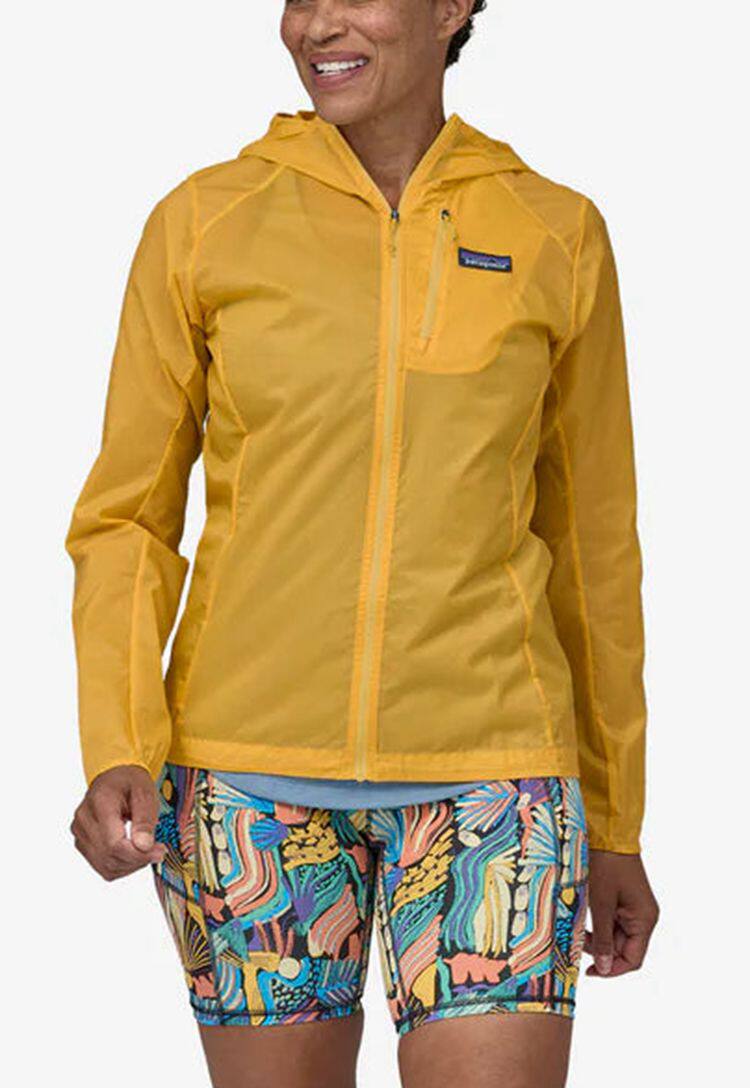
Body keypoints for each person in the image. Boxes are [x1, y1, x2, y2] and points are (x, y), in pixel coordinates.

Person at [65, 2, 659, 1086]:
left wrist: (617, 819)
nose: (318, 23)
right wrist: (117, 741)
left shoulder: (555, 231)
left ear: (452, 7)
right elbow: (128, 518)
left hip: (495, 780)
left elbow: (592, 547)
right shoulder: (206, 220)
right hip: (246, 784)